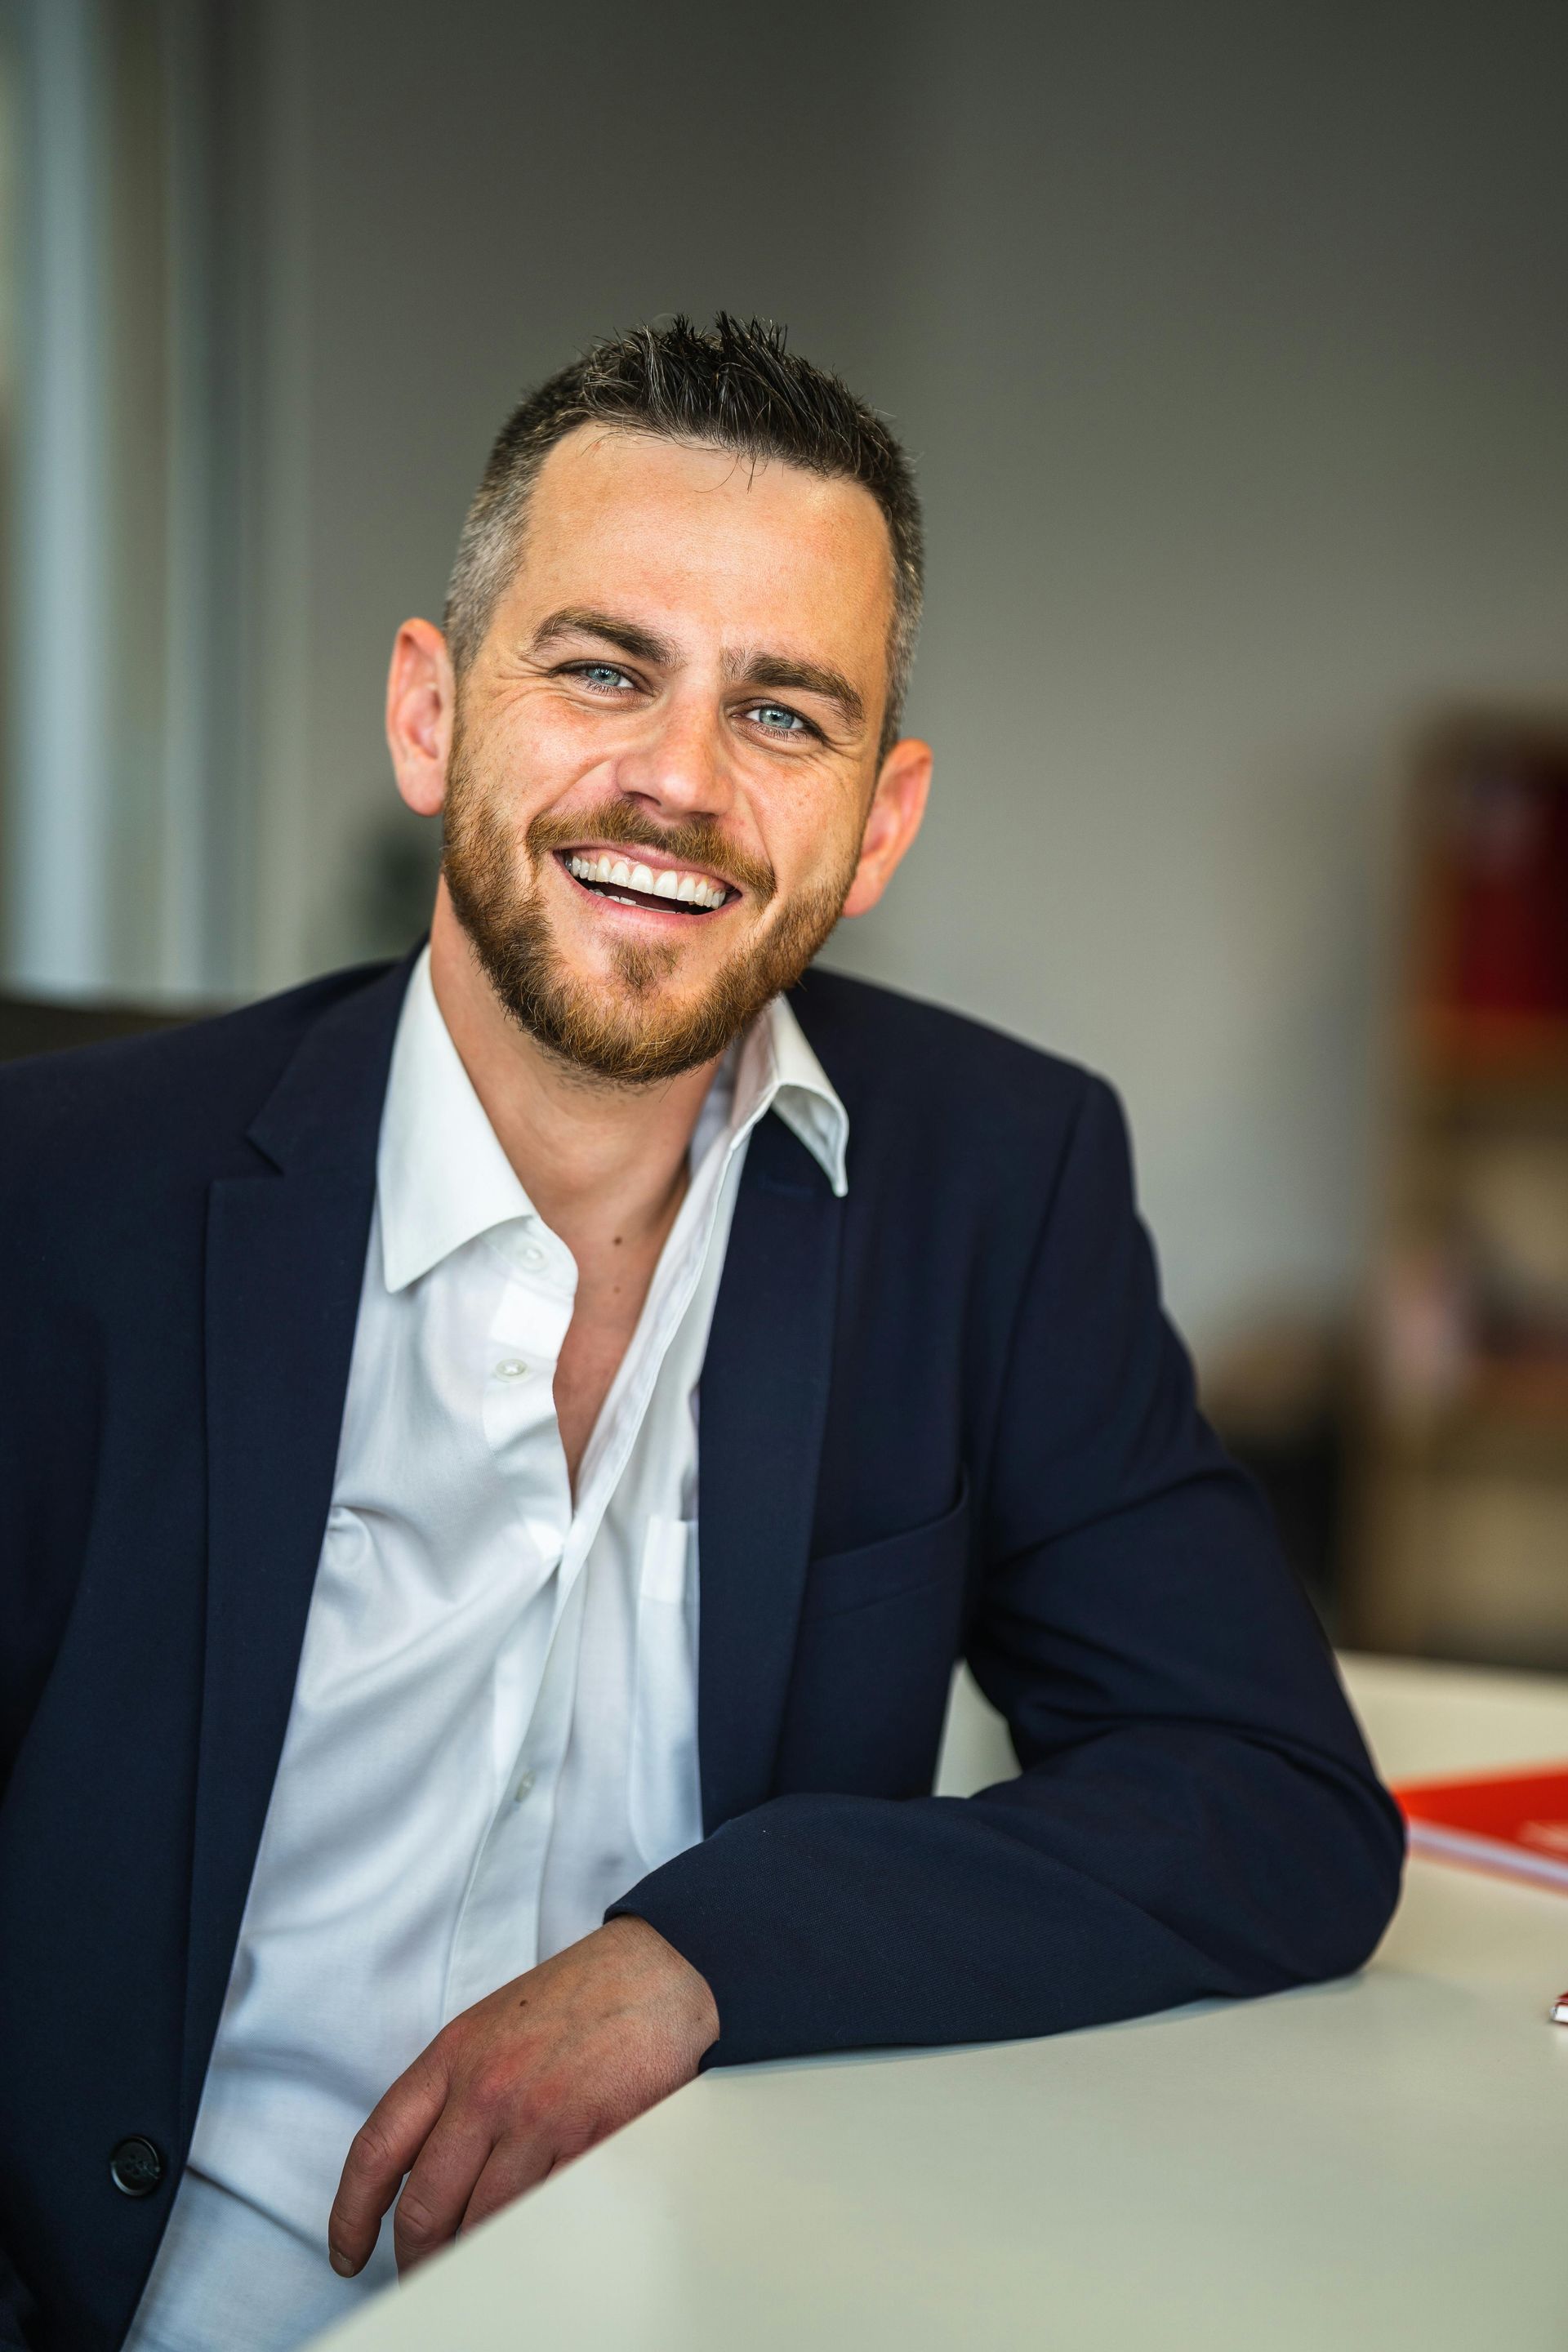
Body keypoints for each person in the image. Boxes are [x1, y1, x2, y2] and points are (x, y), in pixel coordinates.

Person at [0, 316, 1403, 2352]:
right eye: (601, 667)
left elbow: (1269, 1794)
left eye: (786, 713)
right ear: (428, 712)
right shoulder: (56, 1201)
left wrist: (698, 1954)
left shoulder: (997, 1185)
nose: (680, 781)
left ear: (881, 818)